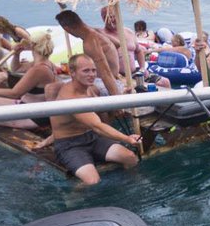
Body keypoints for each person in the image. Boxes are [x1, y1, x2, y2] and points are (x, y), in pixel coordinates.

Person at [49, 53, 141, 185]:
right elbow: (97, 126)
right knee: (92, 181)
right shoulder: (71, 98)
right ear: (72, 73)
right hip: (70, 145)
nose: (91, 74)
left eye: (93, 70)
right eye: (86, 71)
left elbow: (101, 107)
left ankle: (132, 185)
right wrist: (127, 138)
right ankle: (71, 200)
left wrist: (121, 97)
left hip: (91, 138)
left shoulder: (88, 88)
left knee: (130, 157)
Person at [55, 8, 125, 96]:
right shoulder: (95, 32)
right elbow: (117, 44)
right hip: (111, 80)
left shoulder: (90, 42)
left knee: (53, 89)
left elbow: (105, 73)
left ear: (67, 29)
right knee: (58, 85)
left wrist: (117, 100)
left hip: (107, 85)